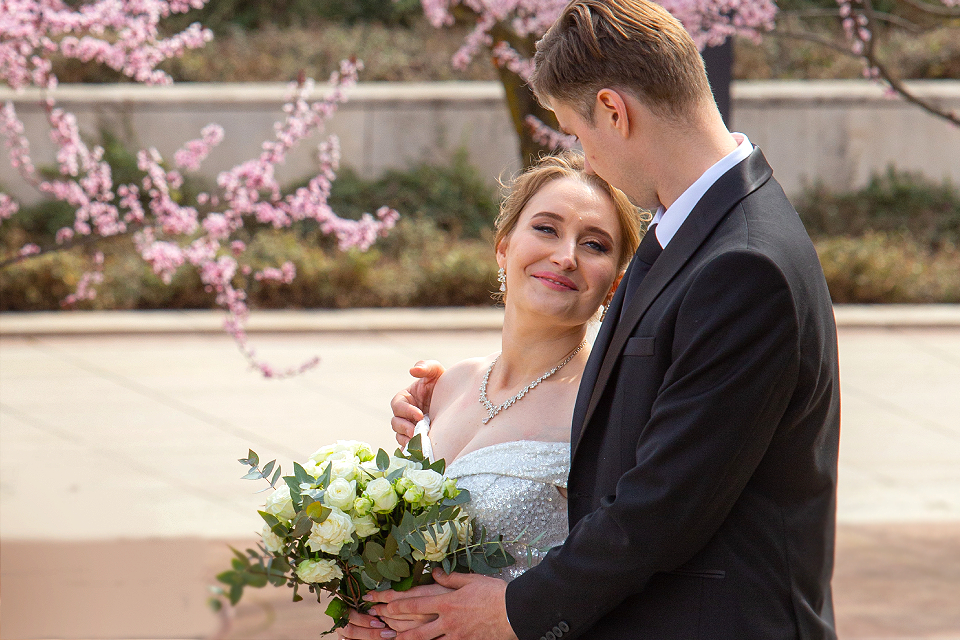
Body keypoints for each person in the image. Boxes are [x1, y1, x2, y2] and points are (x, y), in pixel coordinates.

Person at [358, 0, 842, 638]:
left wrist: (512, 611)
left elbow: (666, 502)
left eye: (578, 135)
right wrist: (454, 408)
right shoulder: (692, 231)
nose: (587, 162)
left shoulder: (744, 262)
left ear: (614, 111)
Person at [339, 149, 644, 637]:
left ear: (615, 283)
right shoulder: (449, 384)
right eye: (546, 228)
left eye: (594, 244)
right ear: (503, 247)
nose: (566, 256)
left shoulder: (605, 406)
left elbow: (617, 571)